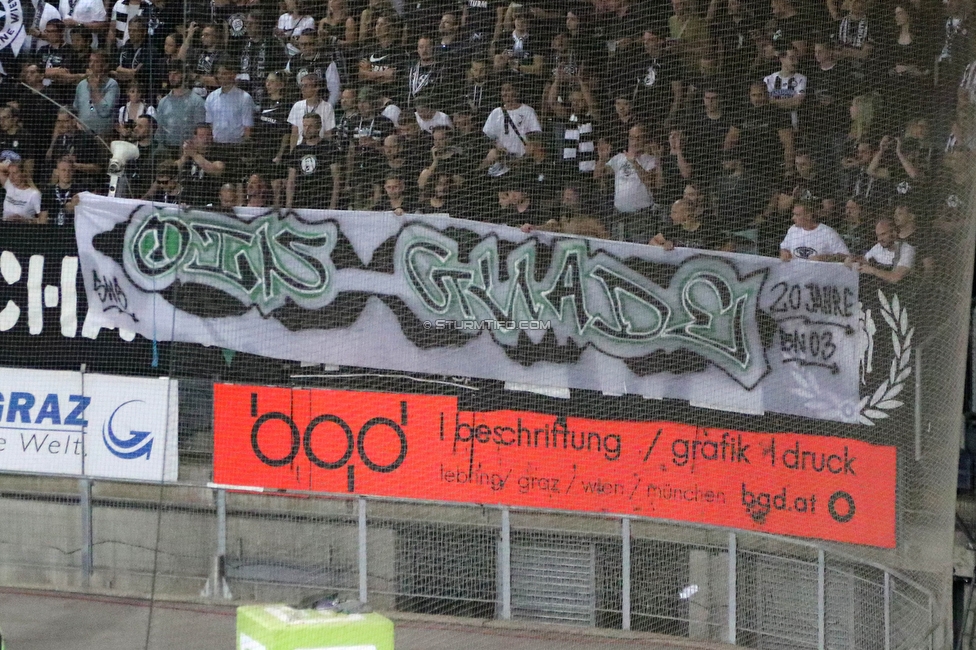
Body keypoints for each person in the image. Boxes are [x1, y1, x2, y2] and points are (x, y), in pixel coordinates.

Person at [595, 124, 662, 242]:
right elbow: (597, 175)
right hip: (619, 216)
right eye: (632, 138)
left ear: (645, 139)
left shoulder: (650, 160)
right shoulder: (619, 158)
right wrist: (602, 159)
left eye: (638, 138)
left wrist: (634, 162)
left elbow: (650, 182)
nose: (634, 142)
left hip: (641, 217)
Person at [287, 113, 340, 209]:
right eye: (305, 126)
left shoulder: (329, 148)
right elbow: (291, 180)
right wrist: (289, 205)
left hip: (323, 201)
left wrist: (332, 206)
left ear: (318, 128)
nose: (306, 129)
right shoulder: (297, 150)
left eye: (310, 126)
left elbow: (336, 179)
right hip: (300, 202)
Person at [846, 218, 916, 283]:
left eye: (883, 234)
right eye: (878, 235)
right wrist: (852, 261)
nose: (879, 239)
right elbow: (864, 260)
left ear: (894, 232)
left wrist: (873, 270)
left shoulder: (906, 249)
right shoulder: (878, 247)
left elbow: (896, 277)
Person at [156, 63, 207, 149]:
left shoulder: (197, 101)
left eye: (176, 74)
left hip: (189, 150)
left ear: (184, 75)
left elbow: (199, 131)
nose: (172, 78)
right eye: (170, 74)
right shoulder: (163, 102)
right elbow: (160, 129)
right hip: (167, 149)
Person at [650, 198, 730, 251]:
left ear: (687, 213)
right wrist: (663, 247)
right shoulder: (673, 229)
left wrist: (716, 258)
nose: (671, 216)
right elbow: (652, 241)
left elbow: (729, 244)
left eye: (674, 212)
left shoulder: (708, 229)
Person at [779, 202, 849, 262]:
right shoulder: (793, 229)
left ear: (809, 216)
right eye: (793, 214)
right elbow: (784, 248)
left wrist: (825, 258)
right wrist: (784, 253)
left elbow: (845, 256)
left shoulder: (828, 232)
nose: (793, 218)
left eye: (797, 215)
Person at [286, 31, 342, 106]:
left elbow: (334, 90)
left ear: (315, 44)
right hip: (298, 105)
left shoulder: (326, 62)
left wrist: (328, 108)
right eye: (301, 44)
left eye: (307, 44)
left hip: (320, 105)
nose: (304, 47)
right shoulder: (293, 61)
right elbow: (287, 82)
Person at [73, 51, 121, 137]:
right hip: (82, 135)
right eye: (91, 61)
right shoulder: (81, 85)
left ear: (105, 65)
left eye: (96, 62)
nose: (91, 65)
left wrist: (94, 88)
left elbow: (105, 112)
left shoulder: (112, 85)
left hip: (103, 136)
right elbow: (75, 109)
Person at [177, 123, 226, 206]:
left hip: (209, 200)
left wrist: (194, 155)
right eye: (202, 136)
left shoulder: (218, 152)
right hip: (186, 201)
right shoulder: (188, 153)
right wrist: (185, 156)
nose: (206, 139)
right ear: (194, 138)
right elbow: (173, 170)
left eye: (209, 135)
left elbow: (216, 170)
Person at [39, 157, 83, 228]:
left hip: (73, 232)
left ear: (73, 172)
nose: (67, 173)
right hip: (52, 231)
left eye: (70, 170)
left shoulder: (80, 191)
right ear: (57, 172)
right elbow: (43, 218)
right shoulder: (48, 192)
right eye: (63, 170)